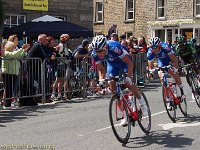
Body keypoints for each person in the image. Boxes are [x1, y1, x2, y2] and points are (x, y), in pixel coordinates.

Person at [91, 35, 148, 126]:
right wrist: (101, 81)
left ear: (105, 47)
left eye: (100, 51)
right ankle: (125, 115)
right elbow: (101, 69)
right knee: (114, 91)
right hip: (112, 65)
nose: (99, 54)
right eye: (97, 51)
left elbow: (129, 64)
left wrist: (128, 77)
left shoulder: (114, 48)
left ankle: (143, 104)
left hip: (124, 63)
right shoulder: (94, 53)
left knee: (128, 84)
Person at [147, 37, 186, 109]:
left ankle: (182, 89)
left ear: (159, 46)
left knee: (174, 74)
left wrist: (175, 68)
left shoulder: (165, 47)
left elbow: (174, 60)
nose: (154, 49)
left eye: (156, 47)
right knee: (162, 77)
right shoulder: (150, 52)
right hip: (161, 62)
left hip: (170, 59)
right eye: (152, 47)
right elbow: (150, 66)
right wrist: (151, 72)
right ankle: (168, 99)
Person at [1, 41, 30, 109]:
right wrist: (22, 49)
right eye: (13, 46)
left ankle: (8, 103)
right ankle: (6, 104)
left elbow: (18, 55)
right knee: (8, 89)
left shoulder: (11, 52)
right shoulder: (6, 53)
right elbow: (15, 55)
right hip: (8, 72)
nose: (14, 47)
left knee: (10, 89)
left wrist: (24, 50)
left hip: (12, 72)